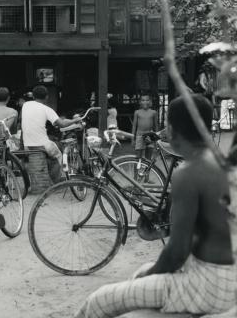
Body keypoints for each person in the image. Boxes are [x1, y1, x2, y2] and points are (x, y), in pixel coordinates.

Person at [75, 94, 235, 318]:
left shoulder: (188, 174)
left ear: (172, 130)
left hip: (206, 285)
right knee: (140, 275)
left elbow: (176, 252)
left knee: (98, 301)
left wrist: (150, 274)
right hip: (226, 277)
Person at [21, 85, 81, 183]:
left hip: (27, 145)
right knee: (58, 155)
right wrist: (75, 120)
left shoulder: (26, 105)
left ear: (33, 96)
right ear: (46, 97)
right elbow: (62, 124)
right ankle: (56, 181)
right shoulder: (47, 109)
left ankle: (48, 175)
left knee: (51, 152)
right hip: (42, 145)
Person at [132, 93, 158, 161]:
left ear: (150, 101)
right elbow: (134, 126)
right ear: (140, 102)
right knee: (138, 157)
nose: (145, 102)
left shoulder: (153, 112)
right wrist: (132, 138)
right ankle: (136, 172)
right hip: (139, 136)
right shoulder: (137, 112)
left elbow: (155, 126)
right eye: (143, 100)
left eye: (147, 100)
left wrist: (156, 139)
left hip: (150, 136)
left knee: (148, 158)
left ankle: (146, 171)